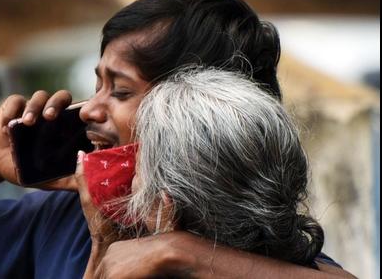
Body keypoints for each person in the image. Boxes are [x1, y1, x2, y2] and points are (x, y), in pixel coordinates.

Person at [0, 0, 355, 278]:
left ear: (201, 112)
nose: (88, 110)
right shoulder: (61, 218)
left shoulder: (243, 247)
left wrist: (178, 252)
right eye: (96, 84)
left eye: (120, 91)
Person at [74, 66, 326, 278]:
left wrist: (104, 246)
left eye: (138, 170)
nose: (132, 182)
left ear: (165, 208)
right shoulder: (301, 266)